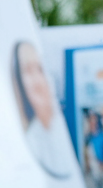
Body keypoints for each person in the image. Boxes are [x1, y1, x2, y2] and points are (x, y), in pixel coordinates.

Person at [11, 40, 74, 179]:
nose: (37, 80)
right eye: (27, 70)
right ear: (19, 82)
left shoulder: (64, 126)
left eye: (39, 69)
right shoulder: (31, 140)